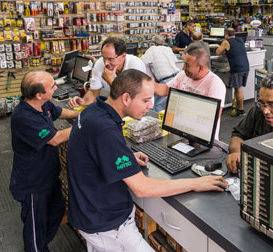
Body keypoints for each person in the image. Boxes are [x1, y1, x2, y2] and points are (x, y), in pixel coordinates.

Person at [67, 69, 228, 252]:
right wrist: (196, 183)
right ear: (126, 98)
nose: (151, 105)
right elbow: (142, 187)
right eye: (145, 100)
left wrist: (125, 157)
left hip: (90, 215)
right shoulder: (105, 130)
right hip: (109, 227)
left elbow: (94, 153)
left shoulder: (95, 111)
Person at [9, 71, 80, 252]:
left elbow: (59, 111)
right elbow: (55, 139)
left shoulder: (43, 104)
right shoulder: (24, 117)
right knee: (35, 228)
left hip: (48, 177)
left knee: (58, 209)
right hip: (33, 183)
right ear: (38, 94)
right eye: (52, 86)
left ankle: (40, 245)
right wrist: (86, 123)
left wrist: (80, 115)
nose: (56, 87)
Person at [155, 43, 226, 140]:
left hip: (202, 140)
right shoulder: (182, 75)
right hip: (180, 134)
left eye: (187, 65)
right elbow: (166, 89)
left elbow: (212, 117)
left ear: (200, 67)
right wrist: (148, 85)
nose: (183, 68)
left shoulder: (215, 84)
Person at [68, 37, 147, 108]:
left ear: (123, 56)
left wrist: (110, 81)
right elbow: (93, 92)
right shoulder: (99, 64)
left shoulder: (136, 65)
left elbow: (131, 98)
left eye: (110, 59)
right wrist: (83, 101)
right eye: (104, 58)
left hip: (137, 108)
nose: (106, 63)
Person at [141, 35, 180, 111]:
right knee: (172, 105)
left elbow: (142, 61)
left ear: (153, 43)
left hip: (166, 80)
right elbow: (175, 59)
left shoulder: (152, 49)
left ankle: (158, 122)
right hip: (177, 77)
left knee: (158, 105)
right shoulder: (168, 49)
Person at [216, 28, 250, 117]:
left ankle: (241, 110)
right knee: (237, 88)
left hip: (237, 68)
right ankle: (236, 106)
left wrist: (223, 51)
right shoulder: (240, 40)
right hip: (245, 67)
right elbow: (235, 50)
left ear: (226, 35)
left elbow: (217, 52)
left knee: (238, 89)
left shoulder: (226, 41)